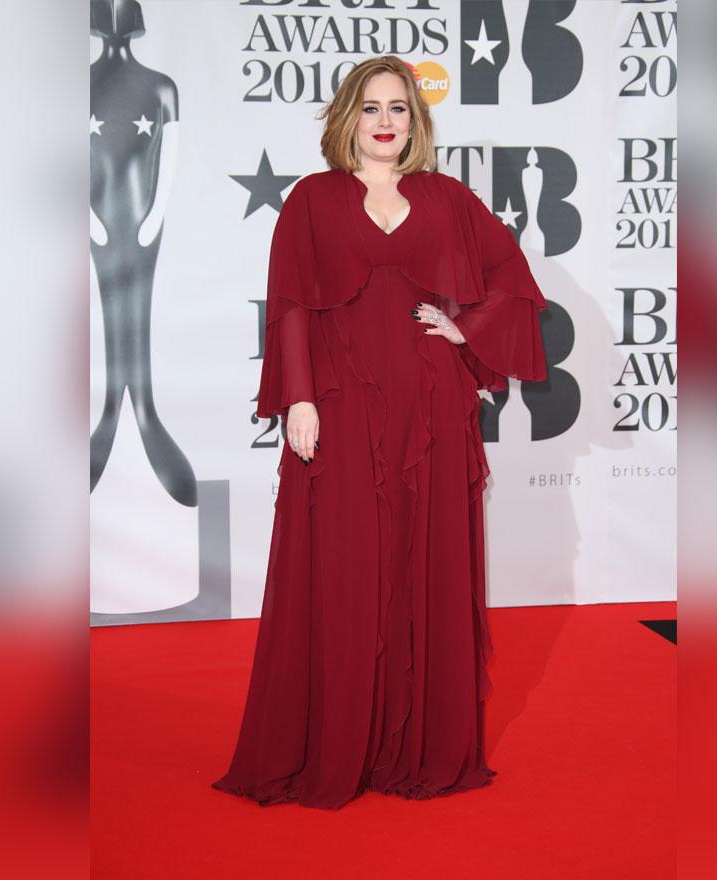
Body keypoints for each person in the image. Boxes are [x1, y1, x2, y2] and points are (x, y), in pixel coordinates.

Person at [211, 56, 549, 810]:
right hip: (340, 406)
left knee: (420, 565)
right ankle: (339, 745)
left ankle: (419, 746)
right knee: (345, 570)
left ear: (416, 120)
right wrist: (299, 400)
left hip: (429, 409)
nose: (386, 120)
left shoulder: (446, 197)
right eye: (371, 107)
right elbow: (291, 307)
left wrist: (465, 331)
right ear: (347, 118)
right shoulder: (312, 200)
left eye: (399, 107)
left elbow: (514, 277)